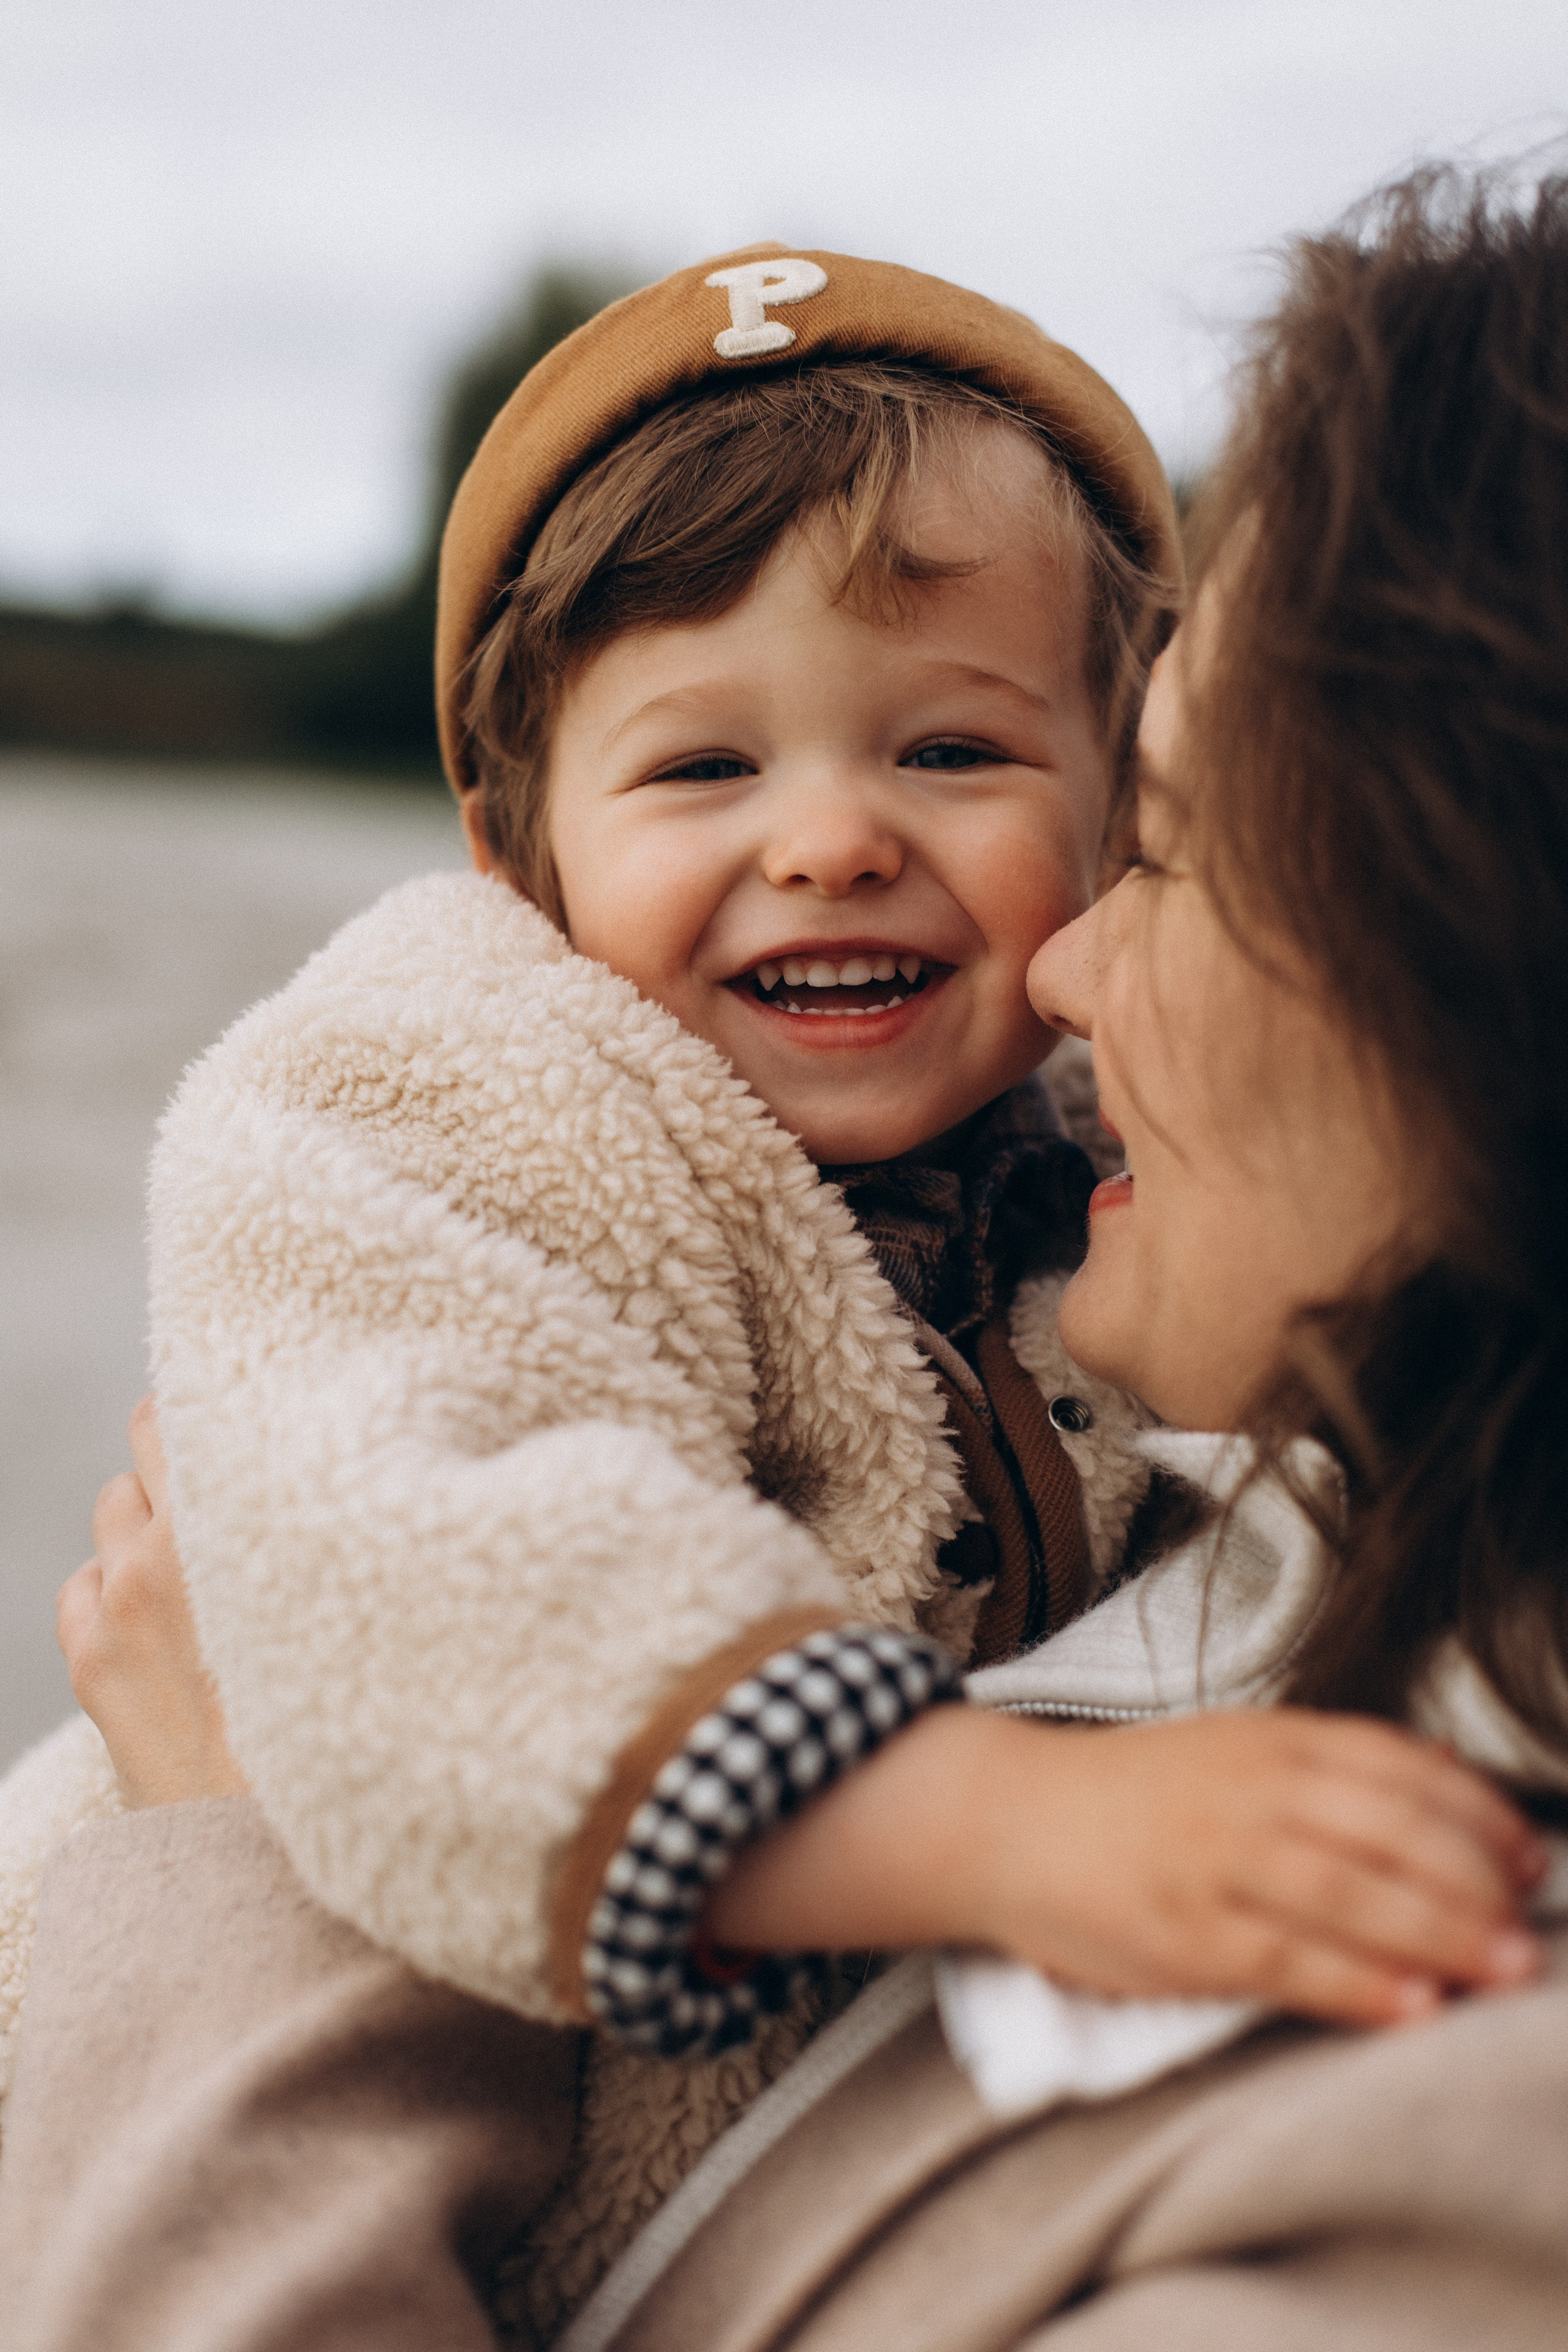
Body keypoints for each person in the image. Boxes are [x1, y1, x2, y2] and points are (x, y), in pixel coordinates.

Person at [4, 187, 1565, 2346]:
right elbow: (407, 1578)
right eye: (706, 762)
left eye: (955, 751)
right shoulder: (430, 1100)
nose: (828, 839)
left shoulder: (1056, 1152)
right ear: (509, 844)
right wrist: (985, 1825)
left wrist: (232, 1876)